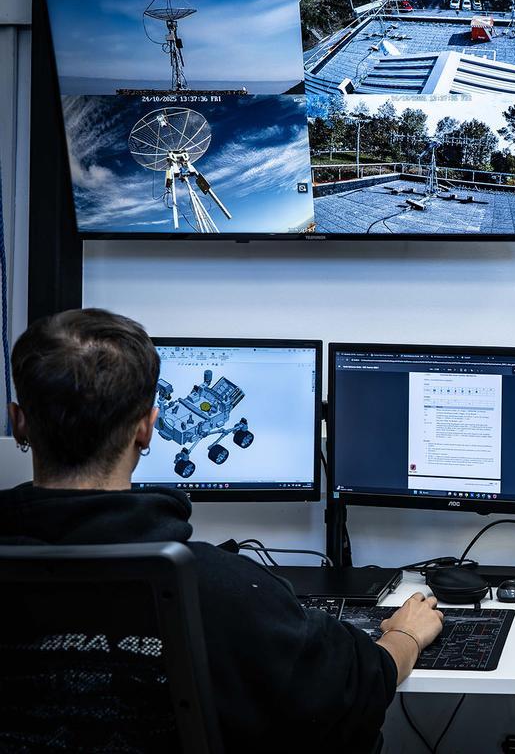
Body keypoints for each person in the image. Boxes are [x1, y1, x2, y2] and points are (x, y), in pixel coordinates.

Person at [0, 309, 444, 752]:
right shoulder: (220, 586)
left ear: (18, 421)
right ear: (147, 427)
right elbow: (354, 690)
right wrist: (403, 636)